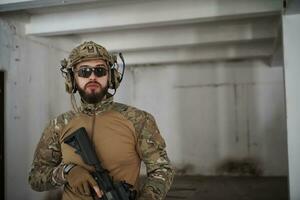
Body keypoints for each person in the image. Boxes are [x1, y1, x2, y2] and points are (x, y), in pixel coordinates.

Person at [28, 41, 175, 200]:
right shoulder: (58, 125)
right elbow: (35, 178)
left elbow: (162, 169)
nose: (92, 77)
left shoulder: (138, 120)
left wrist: (147, 197)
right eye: (84, 72)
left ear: (111, 76)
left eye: (100, 71)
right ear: (72, 78)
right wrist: (67, 172)